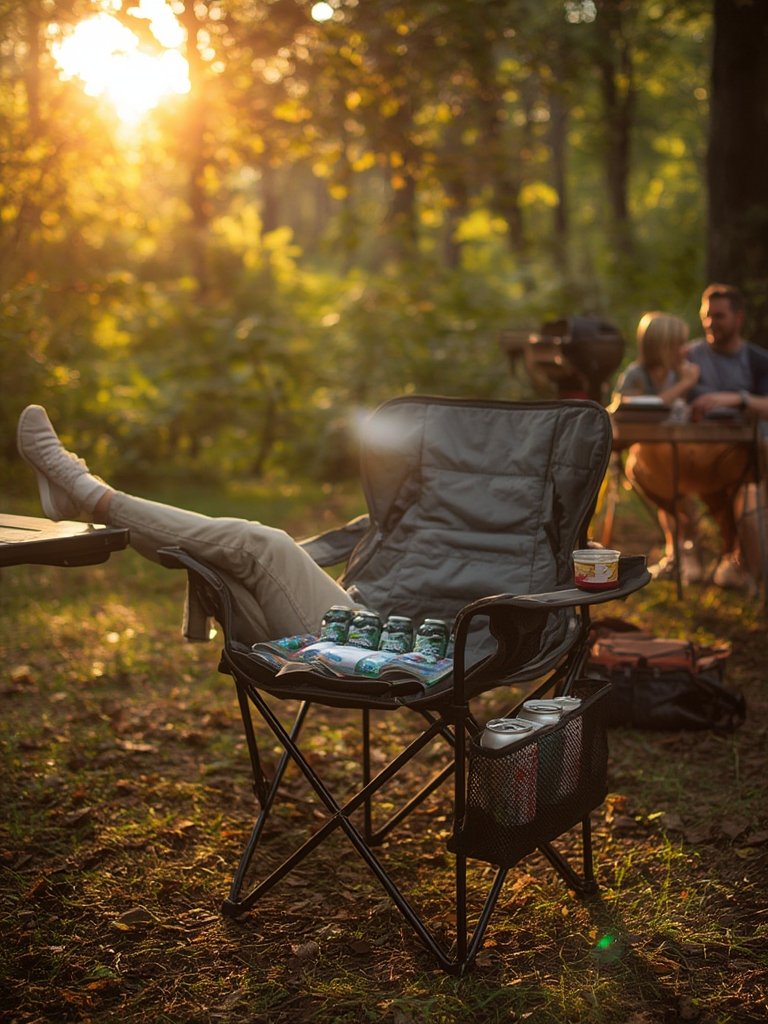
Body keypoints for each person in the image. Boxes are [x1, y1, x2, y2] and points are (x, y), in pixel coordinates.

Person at [16, 405, 357, 642]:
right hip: (355, 615)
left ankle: (85, 491)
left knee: (261, 545)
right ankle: (85, 493)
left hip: (378, 642)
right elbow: (348, 541)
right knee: (231, 555)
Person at [624, 286, 768, 592]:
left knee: (746, 483)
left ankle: (741, 561)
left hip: (738, 453)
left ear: (739, 318)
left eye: (719, 316)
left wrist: (735, 399)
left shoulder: (756, 360)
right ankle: (691, 552)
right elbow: (659, 388)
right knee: (654, 461)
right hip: (692, 454)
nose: (710, 323)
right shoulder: (688, 356)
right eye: (706, 316)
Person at [613, 312, 703, 582]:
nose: (685, 350)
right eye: (679, 344)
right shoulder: (637, 375)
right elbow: (627, 407)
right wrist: (686, 385)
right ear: (663, 346)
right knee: (668, 488)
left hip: (674, 455)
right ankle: (682, 551)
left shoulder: (679, 373)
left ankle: (682, 552)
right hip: (644, 457)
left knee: (676, 487)